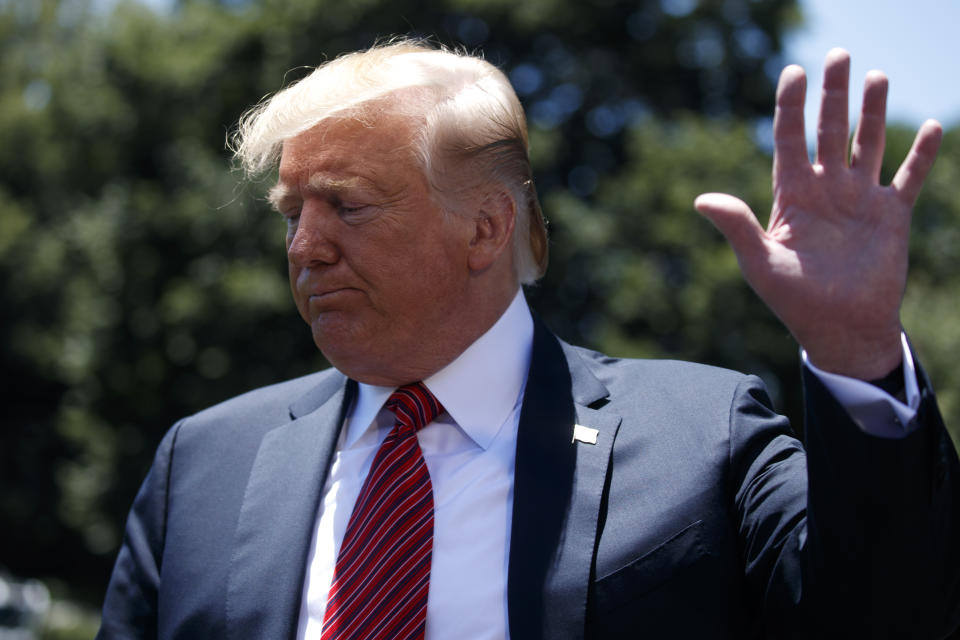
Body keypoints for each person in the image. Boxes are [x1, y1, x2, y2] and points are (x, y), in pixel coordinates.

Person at [97, 40, 960, 639]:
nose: (303, 247)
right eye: (293, 213)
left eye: (347, 206)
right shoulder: (202, 465)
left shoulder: (706, 437)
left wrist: (857, 353)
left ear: (484, 228)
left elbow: (887, 620)